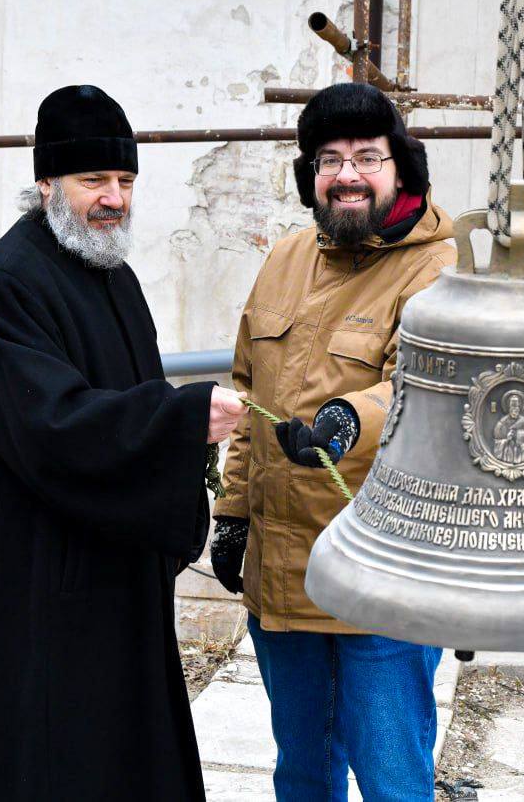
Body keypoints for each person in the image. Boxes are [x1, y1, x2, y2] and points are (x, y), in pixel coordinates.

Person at [0, 84, 245, 801]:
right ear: (46, 184)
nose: (113, 199)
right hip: (32, 593)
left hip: (110, 585)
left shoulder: (113, 277)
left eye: (125, 181)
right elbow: (54, 426)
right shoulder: (6, 285)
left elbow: (132, 399)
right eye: (93, 180)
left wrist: (178, 426)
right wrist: (179, 419)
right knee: (42, 761)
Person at [209, 82, 457, 801]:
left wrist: (352, 417)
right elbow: (248, 390)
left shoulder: (436, 270)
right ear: (310, 176)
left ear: (401, 170)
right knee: (304, 773)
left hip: (385, 588)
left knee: (390, 782)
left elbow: (425, 389)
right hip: (286, 582)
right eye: (329, 159)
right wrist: (230, 517)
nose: (347, 174)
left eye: (367, 158)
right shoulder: (285, 258)